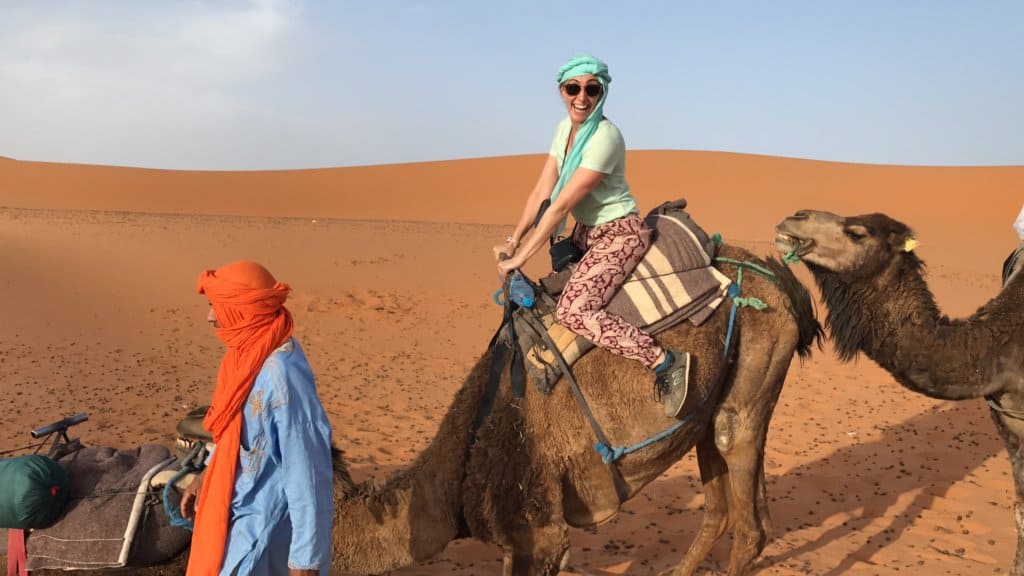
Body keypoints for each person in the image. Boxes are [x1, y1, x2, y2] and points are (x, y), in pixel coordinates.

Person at [494, 55, 692, 418]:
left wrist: (521, 259)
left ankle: (666, 361)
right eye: (574, 88)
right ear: (562, 91)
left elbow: (561, 203)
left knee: (575, 311)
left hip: (619, 235)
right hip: (585, 233)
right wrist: (513, 240)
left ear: (601, 93)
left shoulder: (606, 137)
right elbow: (543, 190)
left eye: (591, 89)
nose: (581, 97)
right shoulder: (563, 130)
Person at [179, 261, 334, 576]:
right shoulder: (246, 357)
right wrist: (207, 476)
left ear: (243, 311)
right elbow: (234, 435)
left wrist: (305, 562)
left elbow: (307, 471)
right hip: (238, 510)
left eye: (217, 307)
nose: (210, 317)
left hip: (264, 525)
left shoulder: (282, 377)